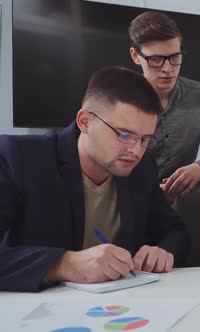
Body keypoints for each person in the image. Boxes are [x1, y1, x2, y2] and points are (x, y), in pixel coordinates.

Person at [0, 66, 189, 292]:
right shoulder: (18, 157)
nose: (136, 150)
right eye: (125, 135)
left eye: (145, 139)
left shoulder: (142, 168)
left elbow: (175, 231)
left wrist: (162, 251)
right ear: (85, 122)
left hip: (124, 309)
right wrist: (62, 264)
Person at [128, 11, 200, 200]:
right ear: (136, 56)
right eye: (155, 60)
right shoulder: (119, 99)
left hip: (180, 206)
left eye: (175, 57)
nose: (168, 69)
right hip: (128, 201)